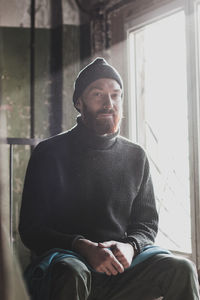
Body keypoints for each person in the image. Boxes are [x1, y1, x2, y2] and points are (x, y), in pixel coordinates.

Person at [19, 58, 200, 300]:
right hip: (68, 263)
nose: (109, 103)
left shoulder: (136, 156)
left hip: (122, 267)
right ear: (79, 102)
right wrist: (83, 246)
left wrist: (130, 246)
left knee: (181, 269)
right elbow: (31, 230)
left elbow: (146, 224)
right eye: (98, 94)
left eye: (116, 95)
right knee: (70, 272)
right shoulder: (48, 153)